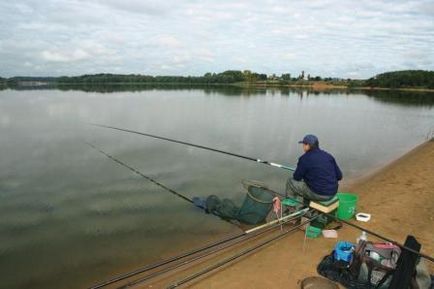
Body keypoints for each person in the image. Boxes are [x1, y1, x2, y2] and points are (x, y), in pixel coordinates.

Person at [286, 134, 342, 202]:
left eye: (303, 144)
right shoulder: (328, 156)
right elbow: (339, 176)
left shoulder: (304, 159)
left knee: (290, 182)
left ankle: (290, 209)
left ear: (307, 145)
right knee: (308, 183)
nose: (303, 147)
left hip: (319, 194)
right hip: (333, 192)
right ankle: (307, 207)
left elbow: (296, 178)